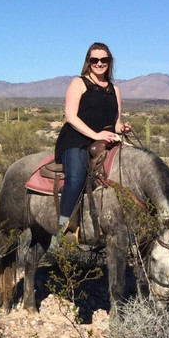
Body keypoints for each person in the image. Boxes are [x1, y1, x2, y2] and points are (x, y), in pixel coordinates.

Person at [51, 41, 131, 247]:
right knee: (76, 179)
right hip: (77, 139)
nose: (99, 63)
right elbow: (70, 117)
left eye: (104, 59)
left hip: (104, 140)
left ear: (109, 62)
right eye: (94, 59)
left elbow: (116, 121)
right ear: (88, 61)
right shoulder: (79, 83)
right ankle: (62, 229)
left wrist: (121, 129)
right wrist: (95, 134)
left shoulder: (115, 89)